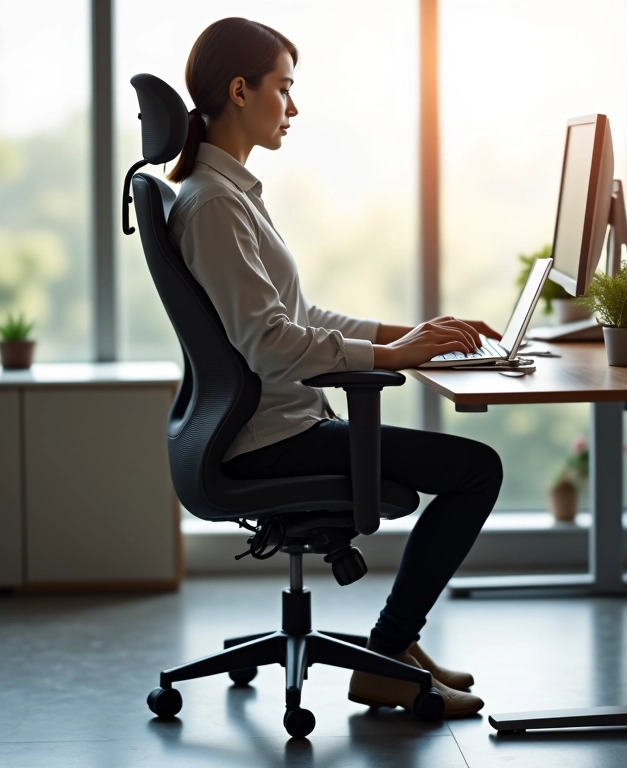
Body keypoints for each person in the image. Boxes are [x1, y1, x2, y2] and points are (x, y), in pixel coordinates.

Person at [167, 17, 503, 719]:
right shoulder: (214, 204)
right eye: (283, 88)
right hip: (272, 439)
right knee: (477, 470)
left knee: (466, 466)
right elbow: (270, 343)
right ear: (240, 90)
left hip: (272, 425)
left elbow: (299, 315)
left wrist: (413, 336)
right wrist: (394, 356)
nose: (292, 107)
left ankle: (397, 650)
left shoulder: (226, 194)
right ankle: (390, 653)